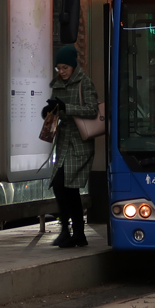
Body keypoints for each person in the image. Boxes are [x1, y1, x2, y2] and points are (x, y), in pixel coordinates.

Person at [42, 45, 98, 248]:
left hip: (79, 143)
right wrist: (49, 112)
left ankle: (75, 232)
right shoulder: (57, 84)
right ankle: (69, 230)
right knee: (61, 186)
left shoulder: (84, 83)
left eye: (65, 67)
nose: (62, 72)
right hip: (63, 142)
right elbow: (57, 111)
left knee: (68, 186)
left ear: (73, 66)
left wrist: (67, 108)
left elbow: (92, 110)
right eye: (59, 68)